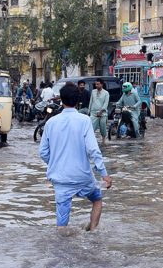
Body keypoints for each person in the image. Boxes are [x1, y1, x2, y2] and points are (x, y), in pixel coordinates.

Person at [39, 83, 113, 230]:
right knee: (97, 200)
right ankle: (92, 233)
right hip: (83, 177)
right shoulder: (84, 120)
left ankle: (61, 248)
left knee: (61, 225)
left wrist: (56, 164)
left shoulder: (51, 123)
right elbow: (94, 150)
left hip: (61, 180)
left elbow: (43, 152)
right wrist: (104, 175)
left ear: (61, 100)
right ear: (78, 101)